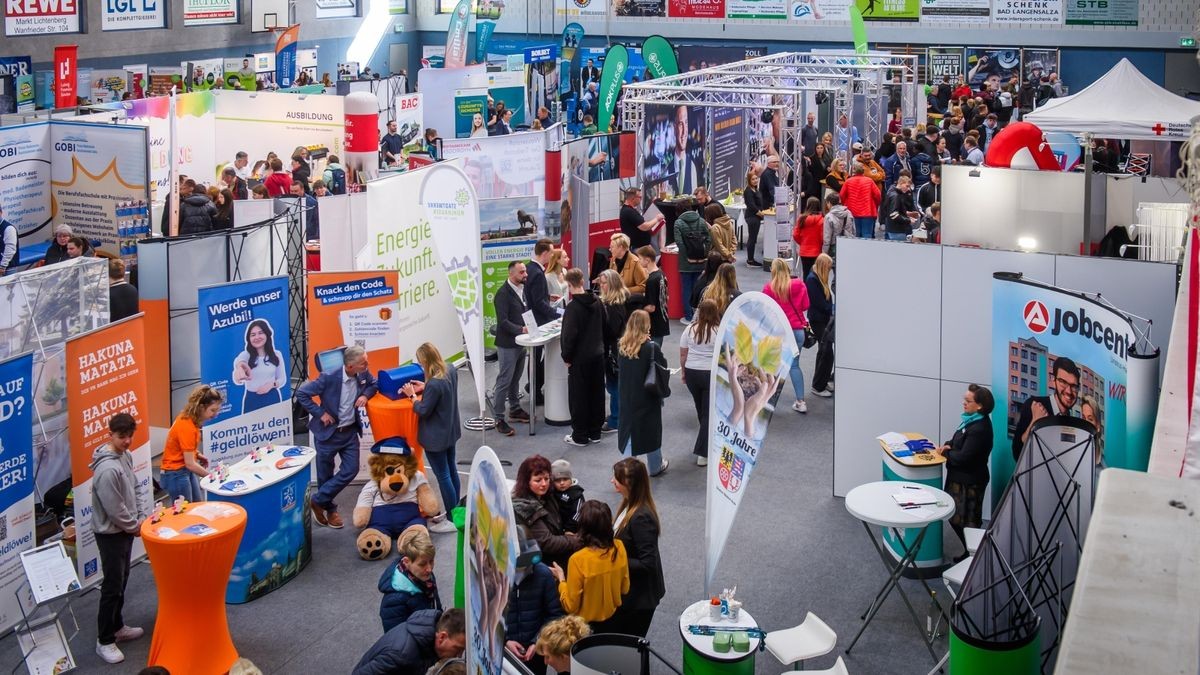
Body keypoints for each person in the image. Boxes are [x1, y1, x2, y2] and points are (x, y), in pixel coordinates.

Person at [296, 345, 379, 529]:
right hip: (327, 434)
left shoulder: (363, 374)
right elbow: (302, 394)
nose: (367, 364)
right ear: (350, 366)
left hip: (349, 433)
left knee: (351, 469)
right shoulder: (328, 377)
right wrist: (320, 413)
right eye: (363, 363)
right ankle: (330, 510)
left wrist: (365, 395)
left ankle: (316, 500)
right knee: (325, 475)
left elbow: (374, 384)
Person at [91, 413, 150, 665]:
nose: (127, 441)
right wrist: (133, 525)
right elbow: (114, 508)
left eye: (129, 436)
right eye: (121, 436)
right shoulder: (106, 469)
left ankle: (117, 627)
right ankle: (104, 640)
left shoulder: (125, 456)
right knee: (112, 587)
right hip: (111, 535)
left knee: (122, 579)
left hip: (125, 530)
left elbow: (135, 486)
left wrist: (138, 517)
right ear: (110, 435)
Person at [403, 343, 462, 520]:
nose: (421, 366)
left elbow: (423, 409)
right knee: (452, 470)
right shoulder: (450, 369)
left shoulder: (434, 384)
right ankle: (457, 511)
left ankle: (452, 517)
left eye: (421, 363)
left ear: (426, 361)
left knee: (443, 476)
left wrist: (412, 396)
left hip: (436, 438)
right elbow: (441, 394)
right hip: (450, 431)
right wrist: (425, 385)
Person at [935, 384, 994, 561]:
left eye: (968, 401)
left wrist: (946, 452)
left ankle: (976, 556)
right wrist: (948, 445)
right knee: (957, 520)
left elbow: (964, 458)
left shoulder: (980, 428)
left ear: (980, 406)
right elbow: (956, 441)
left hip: (969, 483)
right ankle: (971, 553)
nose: (964, 403)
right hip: (960, 479)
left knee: (967, 523)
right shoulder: (970, 421)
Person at [550, 500, 629, 631]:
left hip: (584, 628)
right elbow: (625, 588)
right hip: (614, 619)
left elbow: (570, 605)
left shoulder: (578, 559)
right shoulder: (619, 547)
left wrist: (561, 579)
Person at [609, 458, 665, 637]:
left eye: (617, 478)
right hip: (632, 592)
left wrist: (613, 558)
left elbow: (647, 563)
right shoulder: (628, 504)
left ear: (628, 484)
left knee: (631, 648)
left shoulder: (641, 518)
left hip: (639, 599)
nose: (612, 481)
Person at [505, 530, 565, 675]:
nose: (523, 571)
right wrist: (505, 641)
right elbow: (487, 616)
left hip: (536, 654)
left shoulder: (543, 575)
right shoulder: (494, 577)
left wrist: (538, 641)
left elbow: (554, 615)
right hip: (505, 656)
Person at [617, 310, 669, 476]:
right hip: (648, 397)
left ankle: (625, 470)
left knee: (629, 434)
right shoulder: (651, 347)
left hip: (627, 396)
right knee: (651, 432)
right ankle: (654, 466)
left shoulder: (622, 346)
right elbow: (662, 366)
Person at [560, 268, 606, 446]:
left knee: (579, 397)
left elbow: (569, 336)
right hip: (597, 355)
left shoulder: (572, 308)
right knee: (597, 394)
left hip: (580, 359)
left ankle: (580, 435)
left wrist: (567, 357)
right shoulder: (597, 302)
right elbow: (605, 325)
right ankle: (595, 432)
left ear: (569, 284)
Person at [512, 455, 581, 571]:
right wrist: (578, 540)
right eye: (538, 480)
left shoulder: (547, 494)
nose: (544, 484)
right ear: (526, 481)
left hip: (557, 548)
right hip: (541, 563)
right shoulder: (525, 507)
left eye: (547, 478)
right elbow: (547, 542)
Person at [352, 608, 466, 675]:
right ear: (442, 637)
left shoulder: (427, 636)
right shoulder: (401, 654)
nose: (458, 655)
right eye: (458, 648)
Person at [763, 258, 810, 414]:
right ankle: (800, 401)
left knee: (773, 366)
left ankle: (767, 400)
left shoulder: (769, 289)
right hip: (797, 331)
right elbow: (805, 306)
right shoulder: (799, 285)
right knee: (794, 365)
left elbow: (766, 311)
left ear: (774, 271)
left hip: (779, 332)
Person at [1012, 356, 1080, 462]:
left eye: (1074, 386)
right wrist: (1035, 422)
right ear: (1054, 381)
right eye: (1063, 382)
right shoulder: (1034, 404)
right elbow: (1017, 453)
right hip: (1033, 478)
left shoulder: (1072, 423)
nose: (1069, 391)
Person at [161, 385, 221, 502]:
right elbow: (190, 464)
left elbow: (182, 446)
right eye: (212, 410)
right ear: (200, 407)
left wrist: (196, 454)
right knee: (185, 514)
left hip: (183, 471)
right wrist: (212, 477)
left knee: (197, 505)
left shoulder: (189, 419)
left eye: (217, 410)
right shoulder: (187, 426)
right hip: (176, 474)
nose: (215, 415)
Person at [491, 261, 529, 437]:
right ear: (511, 274)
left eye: (525, 271)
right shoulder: (502, 295)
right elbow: (503, 322)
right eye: (522, 272)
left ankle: (514, 409)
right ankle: (498, 418)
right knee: (504, 380)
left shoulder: (522, 289)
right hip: (507, 344)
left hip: (522, 342)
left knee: (516, 378)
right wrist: (521, 329)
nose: (525, 274)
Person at [378, 530, 442, 633]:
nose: (429, 569)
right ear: (406, 562)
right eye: (422, 564)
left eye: (431, 561)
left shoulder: (423, 576)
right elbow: (397, 640)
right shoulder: (394, 601)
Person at [680, 299, 719, 466]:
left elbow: (683, 354)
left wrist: (683, 372)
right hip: (710, 374)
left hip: (692, 373)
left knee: (701, 409)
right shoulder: (719, 331)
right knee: (708, 413)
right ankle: (703, 452)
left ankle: (707, 438)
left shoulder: (689, 330)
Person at [597, 269, 629, 435]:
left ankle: (616, 420)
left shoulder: (613, 305)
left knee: (613, 386)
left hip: (613, 352)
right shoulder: (620, 300)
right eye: (601, 283)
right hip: (617, 350)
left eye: (605, 283)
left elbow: (613, 330)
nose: (602, 286)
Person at [231, 319, 286, 414]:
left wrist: (271, 385)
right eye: (253, 335)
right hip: (252, 399)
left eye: (260, 333)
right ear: (249, 338)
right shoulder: (246, 355)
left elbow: (282, 379)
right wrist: (239, 368)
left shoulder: (277, 354)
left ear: (267, 335)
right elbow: (239, 361)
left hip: (272, 397)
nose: (257, 337)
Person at [673, 198, 711, 323]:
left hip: (685, 263)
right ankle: (700, 314)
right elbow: (709, 239)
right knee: (700, 288)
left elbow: (679, 243)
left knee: (687, 288)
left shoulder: (678, 223)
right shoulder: (701, 221)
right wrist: (704, 252)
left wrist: (687, 255)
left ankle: (689, 316)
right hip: (701, 261)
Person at [806, 254, 835, 397]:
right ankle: (818, 386)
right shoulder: (812, 280)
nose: (830, 271)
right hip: (818, 320)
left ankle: (820, 382)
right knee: (826, 352)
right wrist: (832, 309)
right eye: (829, 268)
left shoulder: (816, 278)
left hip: (822, 319)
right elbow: (819, 303)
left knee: (823, 351)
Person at [637, 247, 669, 346]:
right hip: (662, 319)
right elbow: (666, 297)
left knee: (653, 354)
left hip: (653, 324)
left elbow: (651, 307)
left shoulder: (651, 280)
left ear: (647, 260)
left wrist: (637, 309)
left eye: (640, 259)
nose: (639, 261)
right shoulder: (662, 274)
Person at [839, 165, 881, 240]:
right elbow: (877, 195)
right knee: (867, 235)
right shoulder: (869, 181)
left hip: (852, 212)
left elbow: (842, 195)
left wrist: (845, 204)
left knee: (855, 235)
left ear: (853, 171)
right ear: (863, 171)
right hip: (868, 212)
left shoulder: (848, 181)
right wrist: (875, 205)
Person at [618, 187, 661, 251]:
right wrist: (657, 219)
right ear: (633, 198)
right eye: (640, 197)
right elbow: (644, 226)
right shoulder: (629, 211)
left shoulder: (628, 210)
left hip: (639, 247)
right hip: (638, 249)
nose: (641, 199)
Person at [792, 197, 823, 279]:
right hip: (817, 251)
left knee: (805, 273)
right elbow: (822, 237)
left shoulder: (801, 219)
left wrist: (802, 242)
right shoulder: (822, 220)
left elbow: (795, 235)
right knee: (817, 275)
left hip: (804, 251)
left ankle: (805, 291)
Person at [550, 460, 585, 532]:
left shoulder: (576, 494)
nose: (562, 483)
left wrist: (569, 529)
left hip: (572, 529)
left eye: (565, 479)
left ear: (571, 479)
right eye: (557, 480)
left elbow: (578, 514)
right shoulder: (552, 491)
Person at [742, 170, 764, 267]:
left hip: (757, 217)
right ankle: (750, 260)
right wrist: (760, 214)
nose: (755, 181)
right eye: (753, 179)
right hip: (752, 217)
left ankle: (751, 259)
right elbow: (751, 205)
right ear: (749, 180)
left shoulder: (756, 189)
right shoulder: (748, 191)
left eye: (756, 178)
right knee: (752, 238)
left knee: (754, 238)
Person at [822, 193, 853, 258]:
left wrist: (824, 253)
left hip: (834, 246)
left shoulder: (828, 217)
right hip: (847, 244)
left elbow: (827, 238)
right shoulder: (848, 213)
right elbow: (853, 230)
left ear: (829, 203)